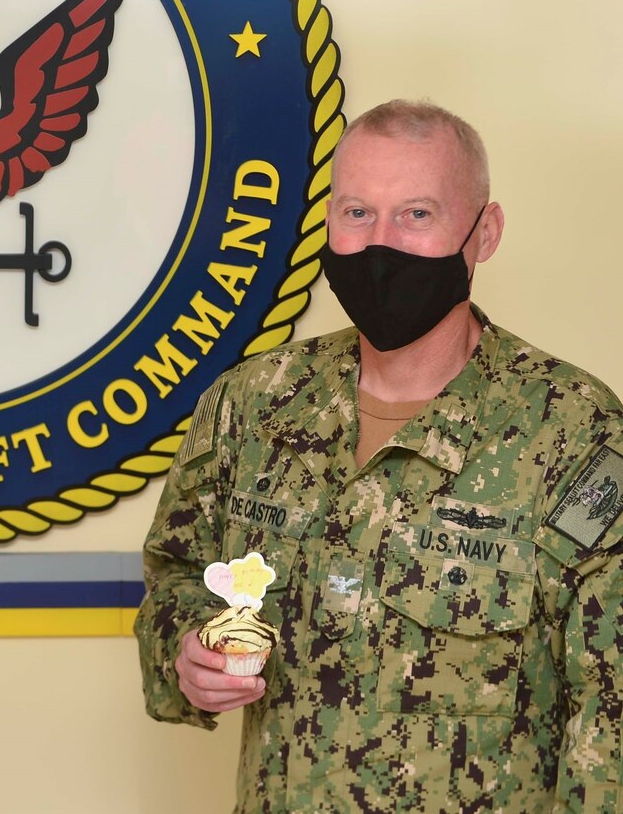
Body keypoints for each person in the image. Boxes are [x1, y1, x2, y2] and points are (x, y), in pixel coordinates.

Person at [136, 100, 623, 811]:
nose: (379, 243)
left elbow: (610, 714)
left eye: (417, 215)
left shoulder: (575, 431)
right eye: (356, 212)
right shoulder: (252, 405)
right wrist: (186, 652)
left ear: (482, 233)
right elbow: (177, 575)